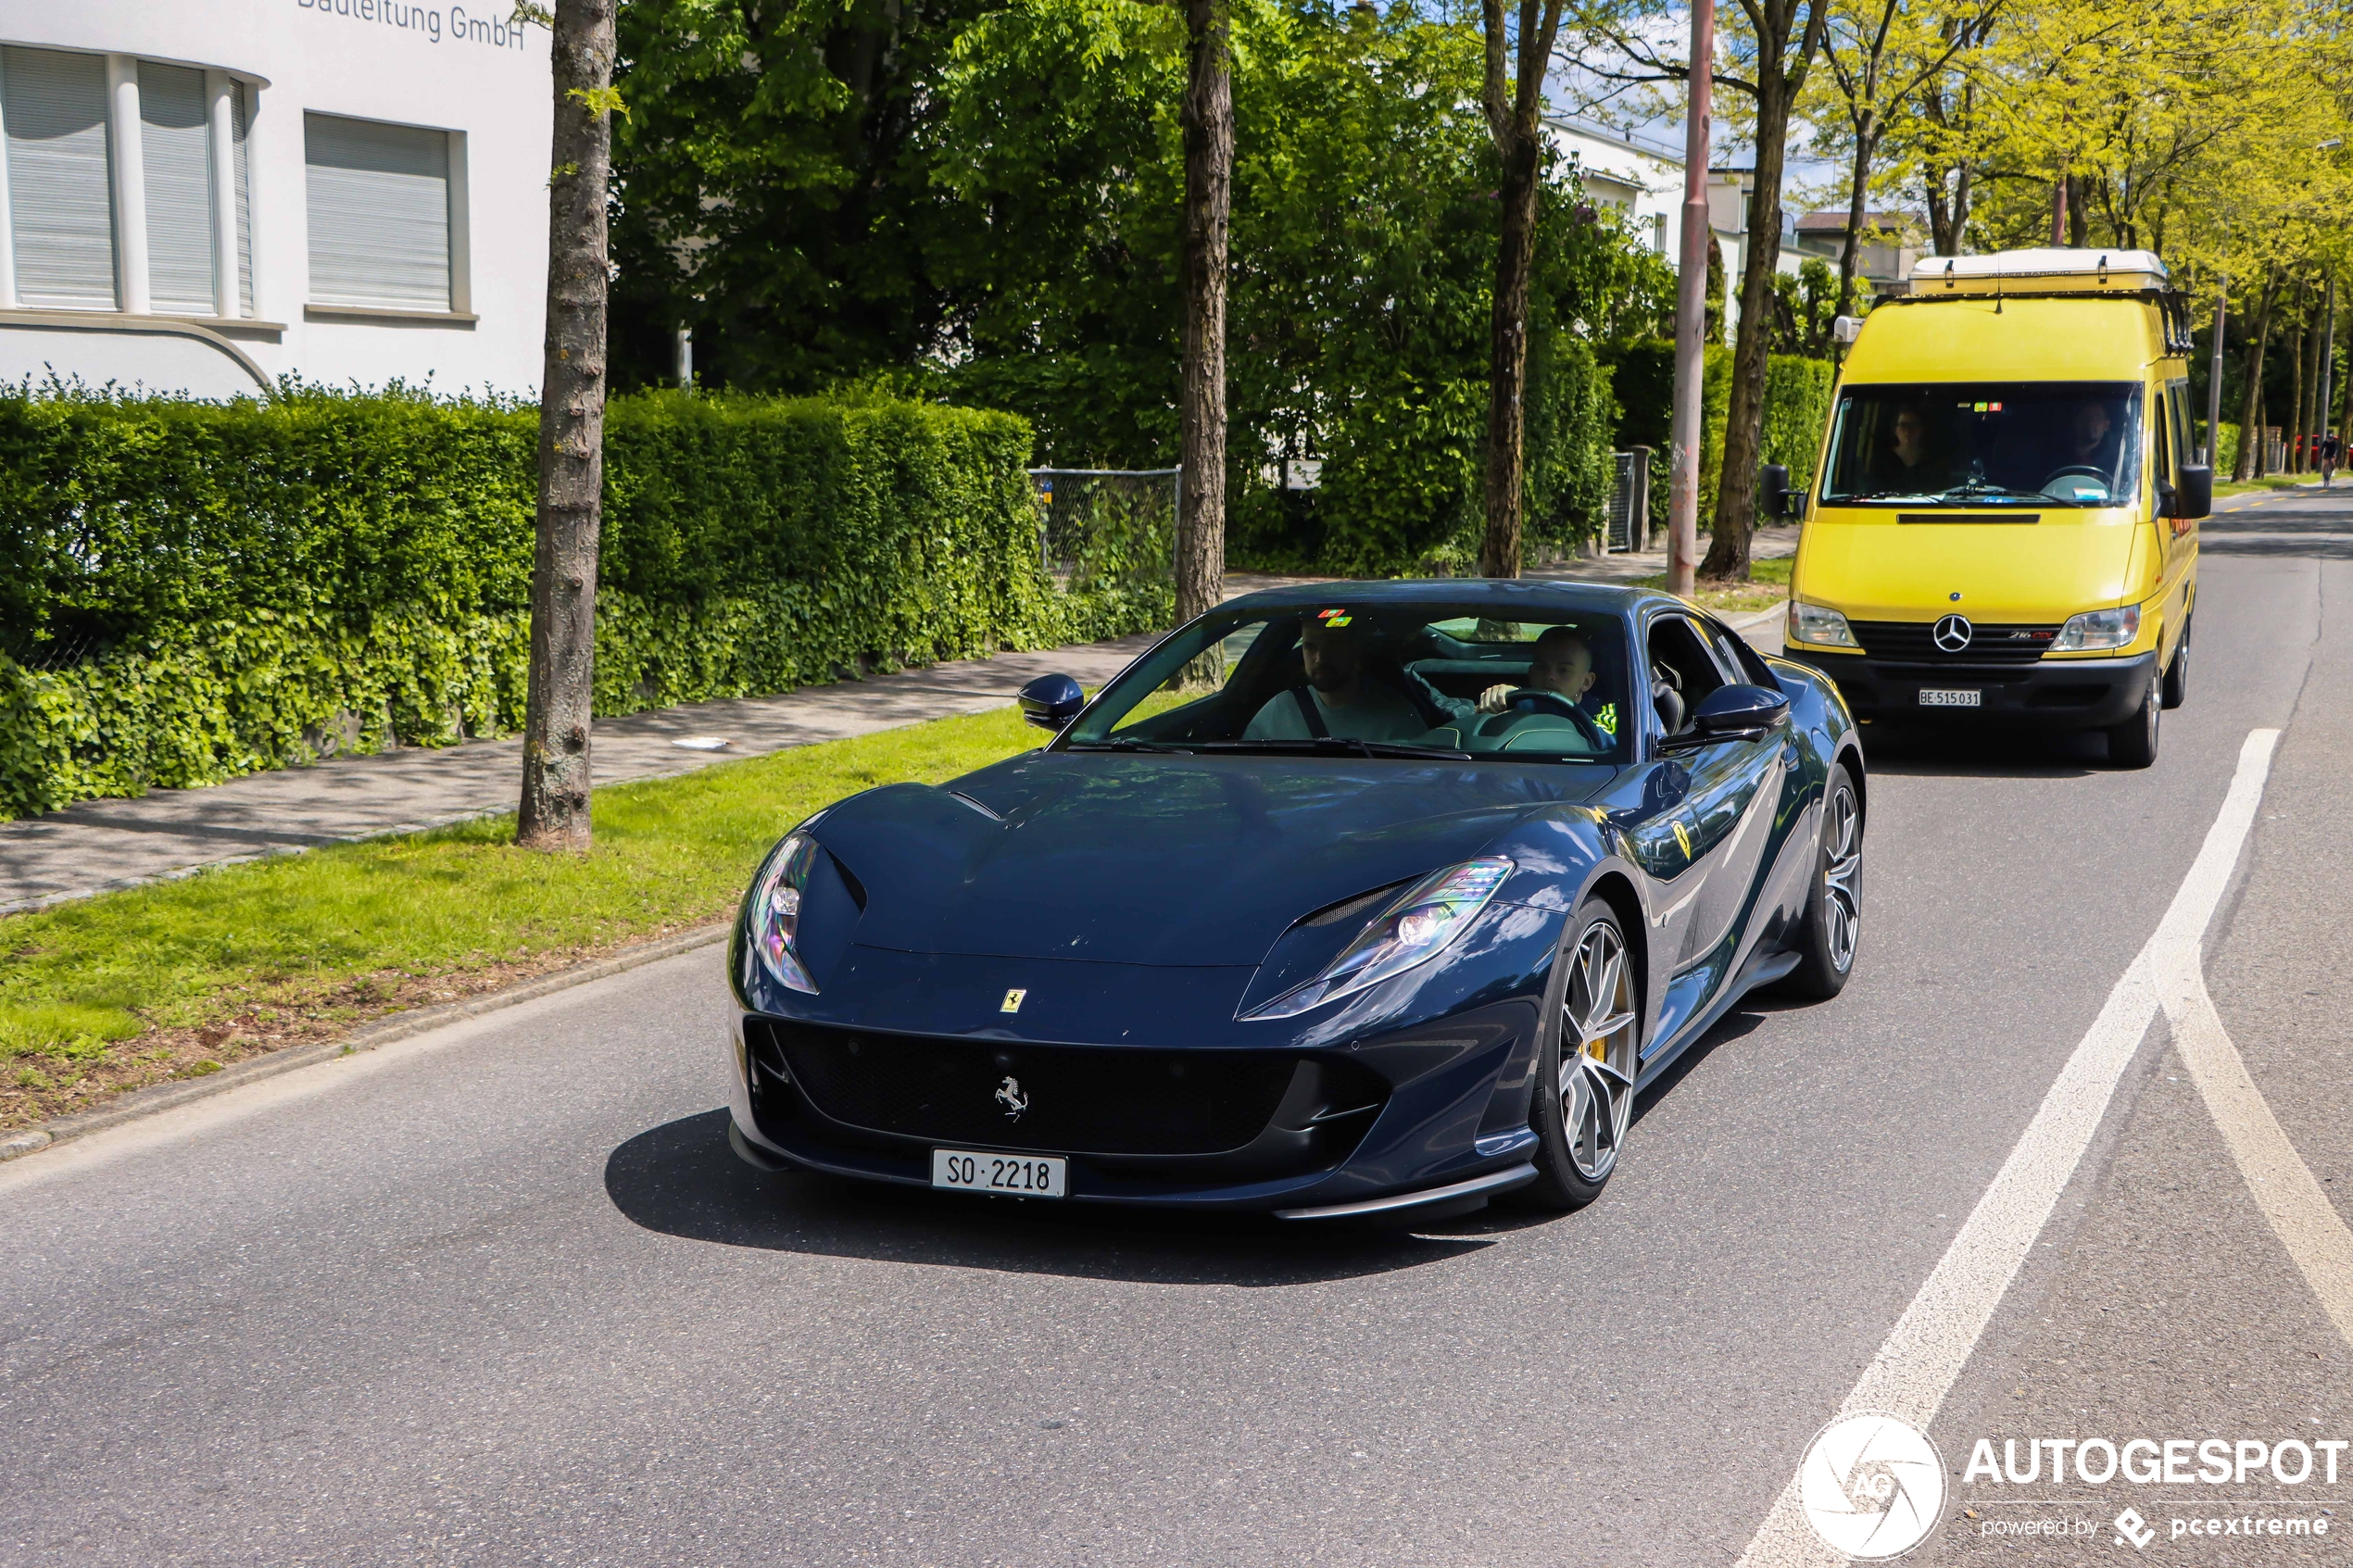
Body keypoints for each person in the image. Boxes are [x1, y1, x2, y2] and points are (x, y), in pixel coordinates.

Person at [1243, 612, 1428, 742]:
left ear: (1356, 652)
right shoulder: (1278, 711)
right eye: (1310, 647)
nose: (1320, 658)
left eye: (1332, 646)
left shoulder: (1398, 719)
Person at [1477, 627, 1595, 714]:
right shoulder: (1510, 705)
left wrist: (1523, 704)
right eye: (1541, 667)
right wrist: (1495, 702)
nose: (1550, 676)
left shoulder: (1602, 716)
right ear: (1531, 672)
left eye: (1563, 670)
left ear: (1586, 682)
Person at [1865, 402, 1945, 492]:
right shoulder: (1881, 461)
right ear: (1895, 430)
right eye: (1903, 425)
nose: (1908, 431)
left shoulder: (1933, 462)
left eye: (1913, 425)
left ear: (1921, 429)